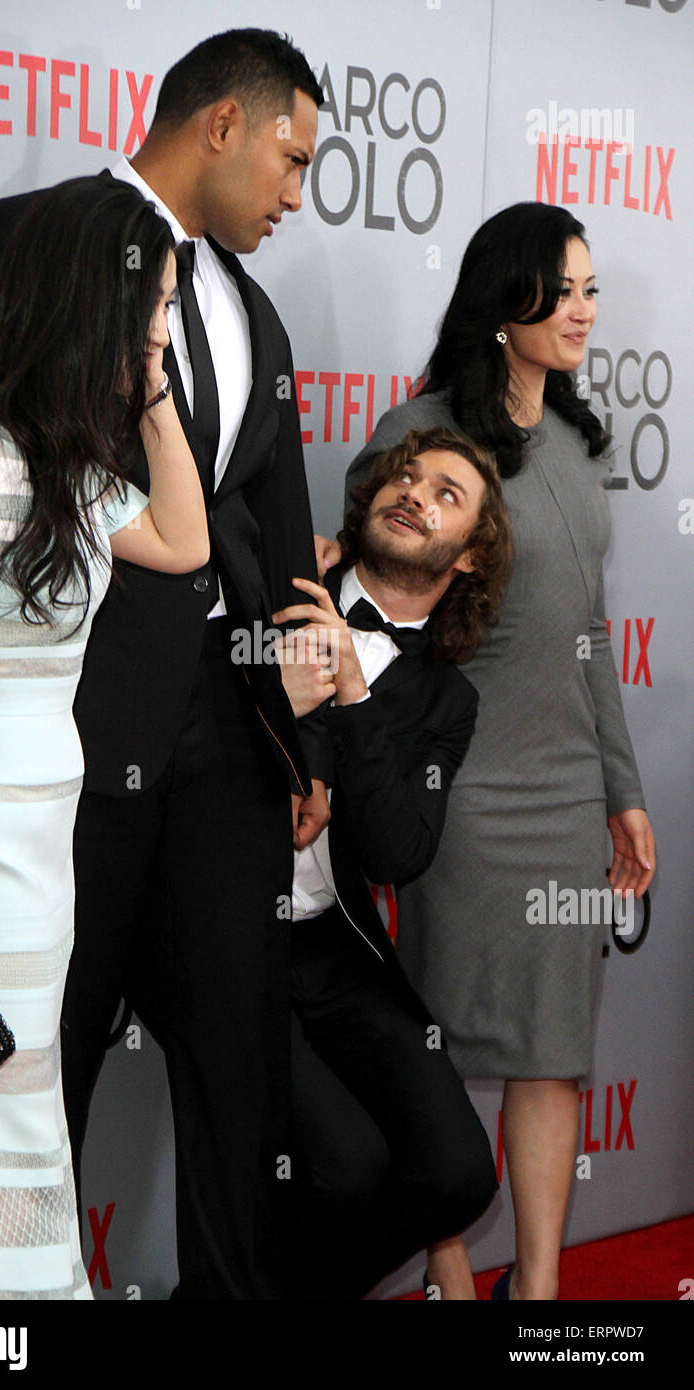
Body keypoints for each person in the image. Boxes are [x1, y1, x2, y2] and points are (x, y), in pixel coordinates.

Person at [0, 29, 328, 1300]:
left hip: (226, 766)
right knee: (26, 1090)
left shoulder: (252, 313)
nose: (294, 197)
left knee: (234, 1094)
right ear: (222, 124)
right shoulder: (21, 241)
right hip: (63, 767)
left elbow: (258, 534)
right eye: (289, 159)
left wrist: (300, 748)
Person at [0, 176, 209, 1299]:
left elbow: (183, 535)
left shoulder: (71, 464)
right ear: (92, 300)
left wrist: (153, 388)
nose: (160, 329)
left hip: (38, 848)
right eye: (151, 308)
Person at [316, 202, 656, 1301]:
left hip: (561, 791)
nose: (582, 313)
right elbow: (357, 609)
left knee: (550, 1049)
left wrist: (621, 786)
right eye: (560, 291)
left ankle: (539, 1296)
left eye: (590, 291)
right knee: (439, 1040)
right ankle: (451, 1275)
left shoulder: (572, 440)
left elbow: (588, 633)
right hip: (448, 785)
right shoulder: (416, 431)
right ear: (501, 303)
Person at [271, 425, 511, 1300]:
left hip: (336, 950)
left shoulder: (448, 698)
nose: (414, 492)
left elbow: (397, 851)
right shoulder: (285, 579)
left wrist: (352, 691)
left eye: (447, 493)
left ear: (473, 558)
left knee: (458, 1171)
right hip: (228, 927)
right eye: (405, 477)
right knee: (344, 1164)